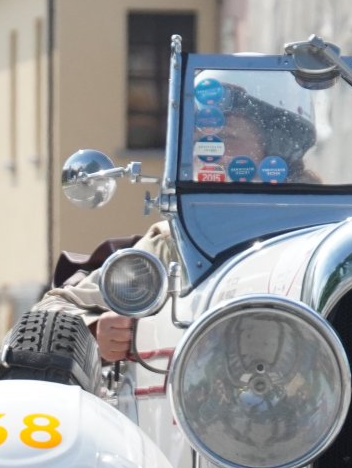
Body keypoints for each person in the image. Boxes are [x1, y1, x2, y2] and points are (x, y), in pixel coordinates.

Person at [39, 69, 317, 363]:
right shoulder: (174, 243)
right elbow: (52, 309)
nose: (210, 151)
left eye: (227, 137)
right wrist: (96, 329)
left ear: (276, 149)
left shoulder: (326, 230)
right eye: (200, 140)